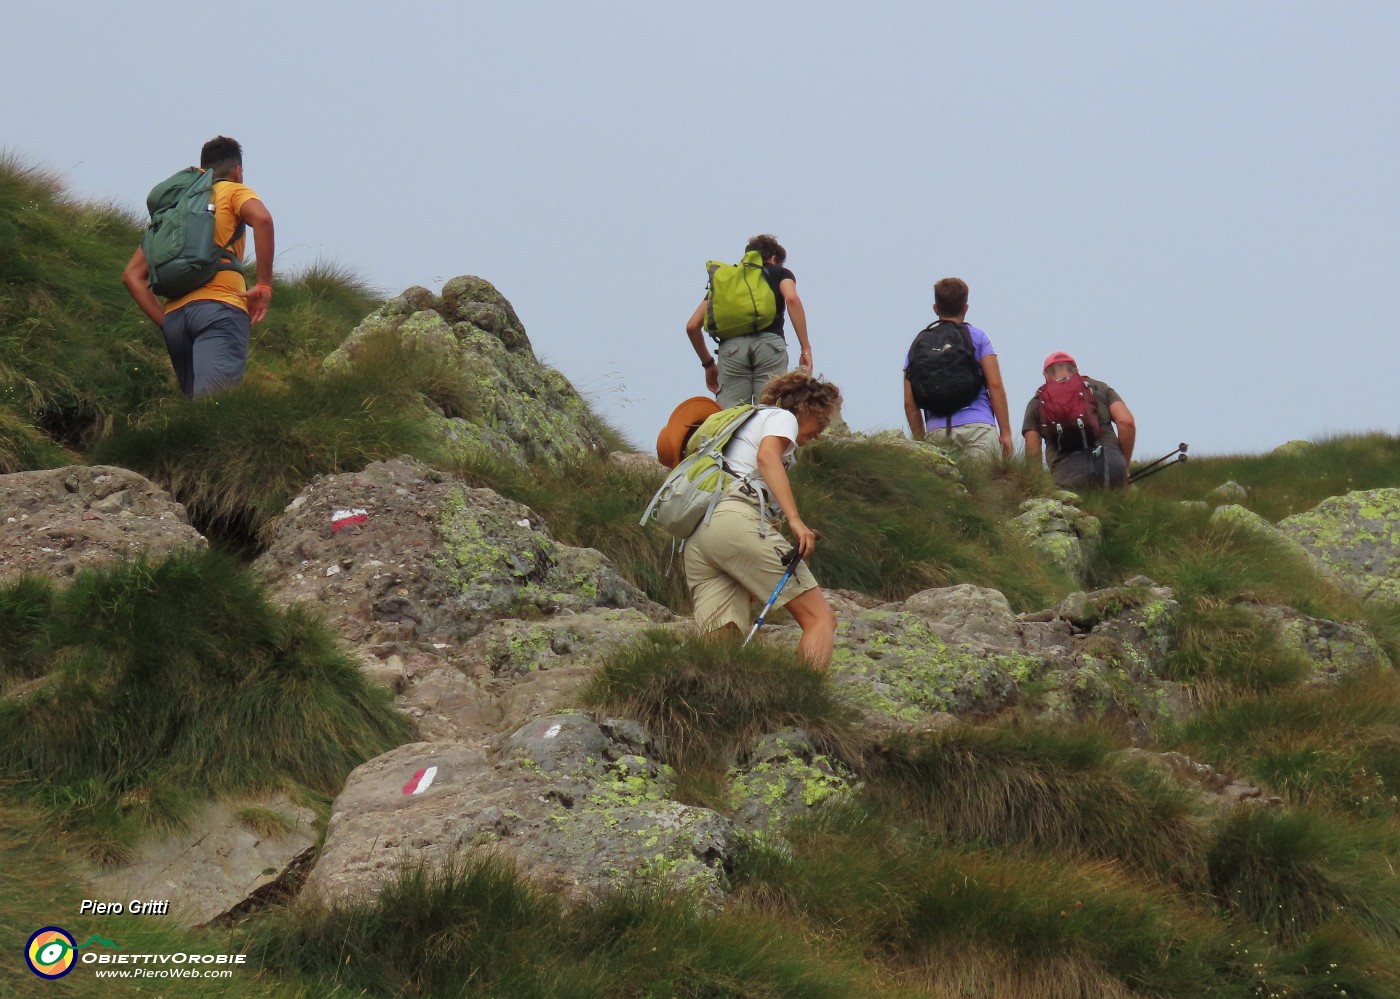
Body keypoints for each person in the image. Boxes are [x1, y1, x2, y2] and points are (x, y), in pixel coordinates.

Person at [680, 370, 840, 668]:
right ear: (805, 408)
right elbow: (767, 458)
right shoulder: (782, 418)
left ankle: (706, 708)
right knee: (820, 618)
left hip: (700, 533)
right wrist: (795, 519)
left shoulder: (744, 427)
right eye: (821, 421)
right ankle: (806, 706)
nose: (820, 432)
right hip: (734, 518)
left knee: (718, 645)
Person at [121, 136, 275, 398]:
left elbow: (132, 276)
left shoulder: (175, 210)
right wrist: (263, 286)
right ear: (237, 170)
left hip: (175, 320)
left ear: (203, 169)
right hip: (219, 308)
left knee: (197, 415)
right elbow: (262, 219)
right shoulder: (233, 189)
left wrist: (166, 321)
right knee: (213, 412)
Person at [686, 234, 814, 408]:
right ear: (774, 258)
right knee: (771, 412)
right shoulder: (779, 272)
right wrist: (805, 349)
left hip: (732, 351)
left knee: (731, 418)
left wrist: (709, 365)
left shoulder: (728, 282)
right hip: (769, 347)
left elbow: (692, 326)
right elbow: (792, 298)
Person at [902, 277, 1013, 461]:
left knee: (949, 490)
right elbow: (994, 384)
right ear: (966, 308)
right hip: (978, 429)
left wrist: (921, 442)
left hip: (937, 432)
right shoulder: (978, 337)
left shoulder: (919, 343)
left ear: (936, 308)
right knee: (985, 489)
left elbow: (909, 401)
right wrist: (1006, 434)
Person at [1022, 351, 1136, 489]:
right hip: (1111, 464)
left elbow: (1033, 451)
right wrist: (1125, 467)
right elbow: (1126, 423)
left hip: (1068, 473)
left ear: (1045, 375)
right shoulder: (1100, 388)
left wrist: (1037, 489)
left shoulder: (1037, 401)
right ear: (1076, 370)